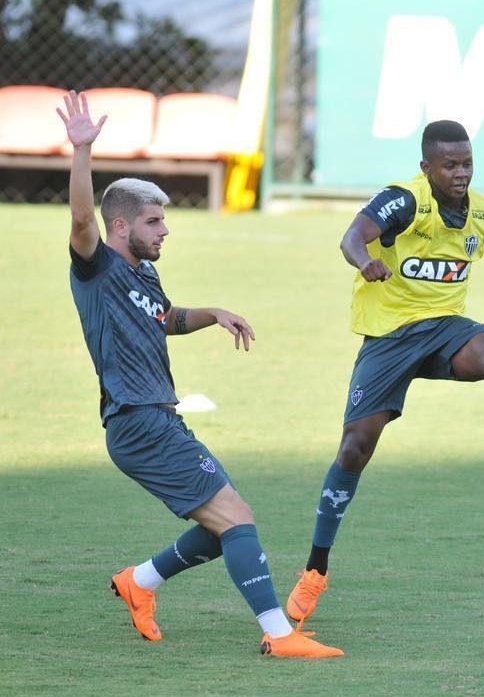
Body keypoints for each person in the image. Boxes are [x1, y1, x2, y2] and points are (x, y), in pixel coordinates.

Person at [57, 90, 341, 658]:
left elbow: (166, 320)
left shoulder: (144, 277)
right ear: (120, 226)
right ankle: (280, 635)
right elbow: (81, 215)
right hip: (138, 421)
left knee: (221, 529)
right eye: (154, 221)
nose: (165, 231)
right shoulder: (97, 265)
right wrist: (83, 152)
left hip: (155, 419)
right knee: (236, 517)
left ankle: (139, 582)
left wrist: (212, 314)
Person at [284, 119, 484, 629]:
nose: (460, 173)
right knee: (354, 449)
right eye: (449, 165)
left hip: (443, 329)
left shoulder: (481, 213)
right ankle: (315, 569)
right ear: (427, 167)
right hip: (390, 337)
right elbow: (353, 236)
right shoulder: (404, 201)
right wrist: (364, 262)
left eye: (466, 164)